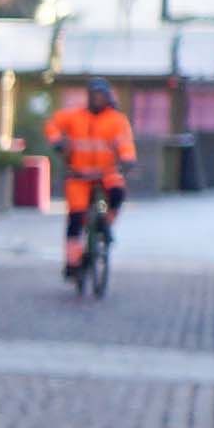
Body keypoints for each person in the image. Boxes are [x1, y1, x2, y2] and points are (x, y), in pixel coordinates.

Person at [40, 77, 137, 285]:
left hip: (106, 175)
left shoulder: (116, 120)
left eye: (101, 95)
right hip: (79, 177)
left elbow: (125, 143)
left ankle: (105, 225)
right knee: (76, 218)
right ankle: (73, 262)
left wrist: (128, 160)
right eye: (94, 95)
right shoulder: (74, 116)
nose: (97, 99)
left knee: (116, 196)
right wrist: (57, 141)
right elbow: (52, 124)